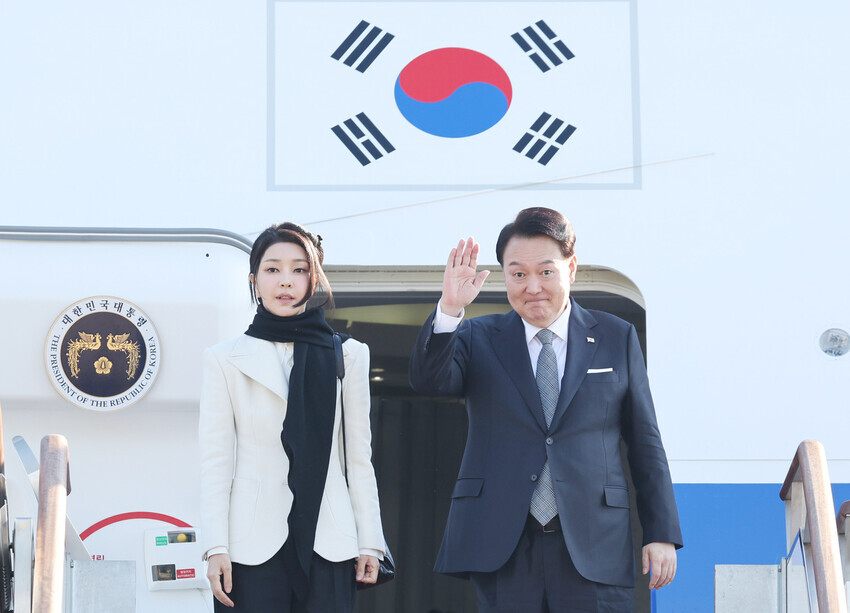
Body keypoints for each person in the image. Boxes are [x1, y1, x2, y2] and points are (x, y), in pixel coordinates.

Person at [409, 207, 682, 612]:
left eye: (546, 271)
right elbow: (430, 381)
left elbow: (645, 441)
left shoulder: (615, 336)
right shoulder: (478, 336)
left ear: (571, 268)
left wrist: (661, 533)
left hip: (594, 541)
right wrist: (449, 310)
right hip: (504, 542)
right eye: (518, 274)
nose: (532, 286)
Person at [200, 222, 385, 611]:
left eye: (299, 269)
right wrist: (215, 546)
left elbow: (358, 456)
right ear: (254, 279)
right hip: (251, 546)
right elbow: (216, 461)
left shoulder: (350, 354)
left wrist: (370, 539)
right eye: (272, 269)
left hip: (329, 540)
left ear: (313, 278)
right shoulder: (223, 359)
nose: (286, 281)